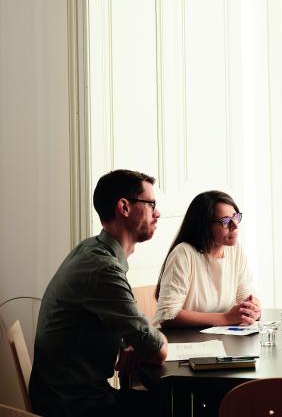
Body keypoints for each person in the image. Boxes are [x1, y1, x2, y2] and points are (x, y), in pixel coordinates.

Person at [29, 169, 168, 417]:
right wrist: (147, 344)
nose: (157, 213)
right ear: (124, 207)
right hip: (75, 406)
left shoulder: (92, 249)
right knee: (174, 408)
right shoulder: (103, 267)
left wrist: (138, 344)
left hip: (66, 396)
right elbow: (157, 350)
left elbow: (135, 335)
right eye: (151, 204)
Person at [153, 190, 260, 328]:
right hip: (177, 341)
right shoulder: (183, 253)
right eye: (226, 221)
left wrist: (253, 310)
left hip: (217, 340)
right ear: (205, 226)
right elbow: (168, 315)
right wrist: (225, 318)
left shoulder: (235, 249)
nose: (235, 225)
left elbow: (246, 297)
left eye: (235, 217)